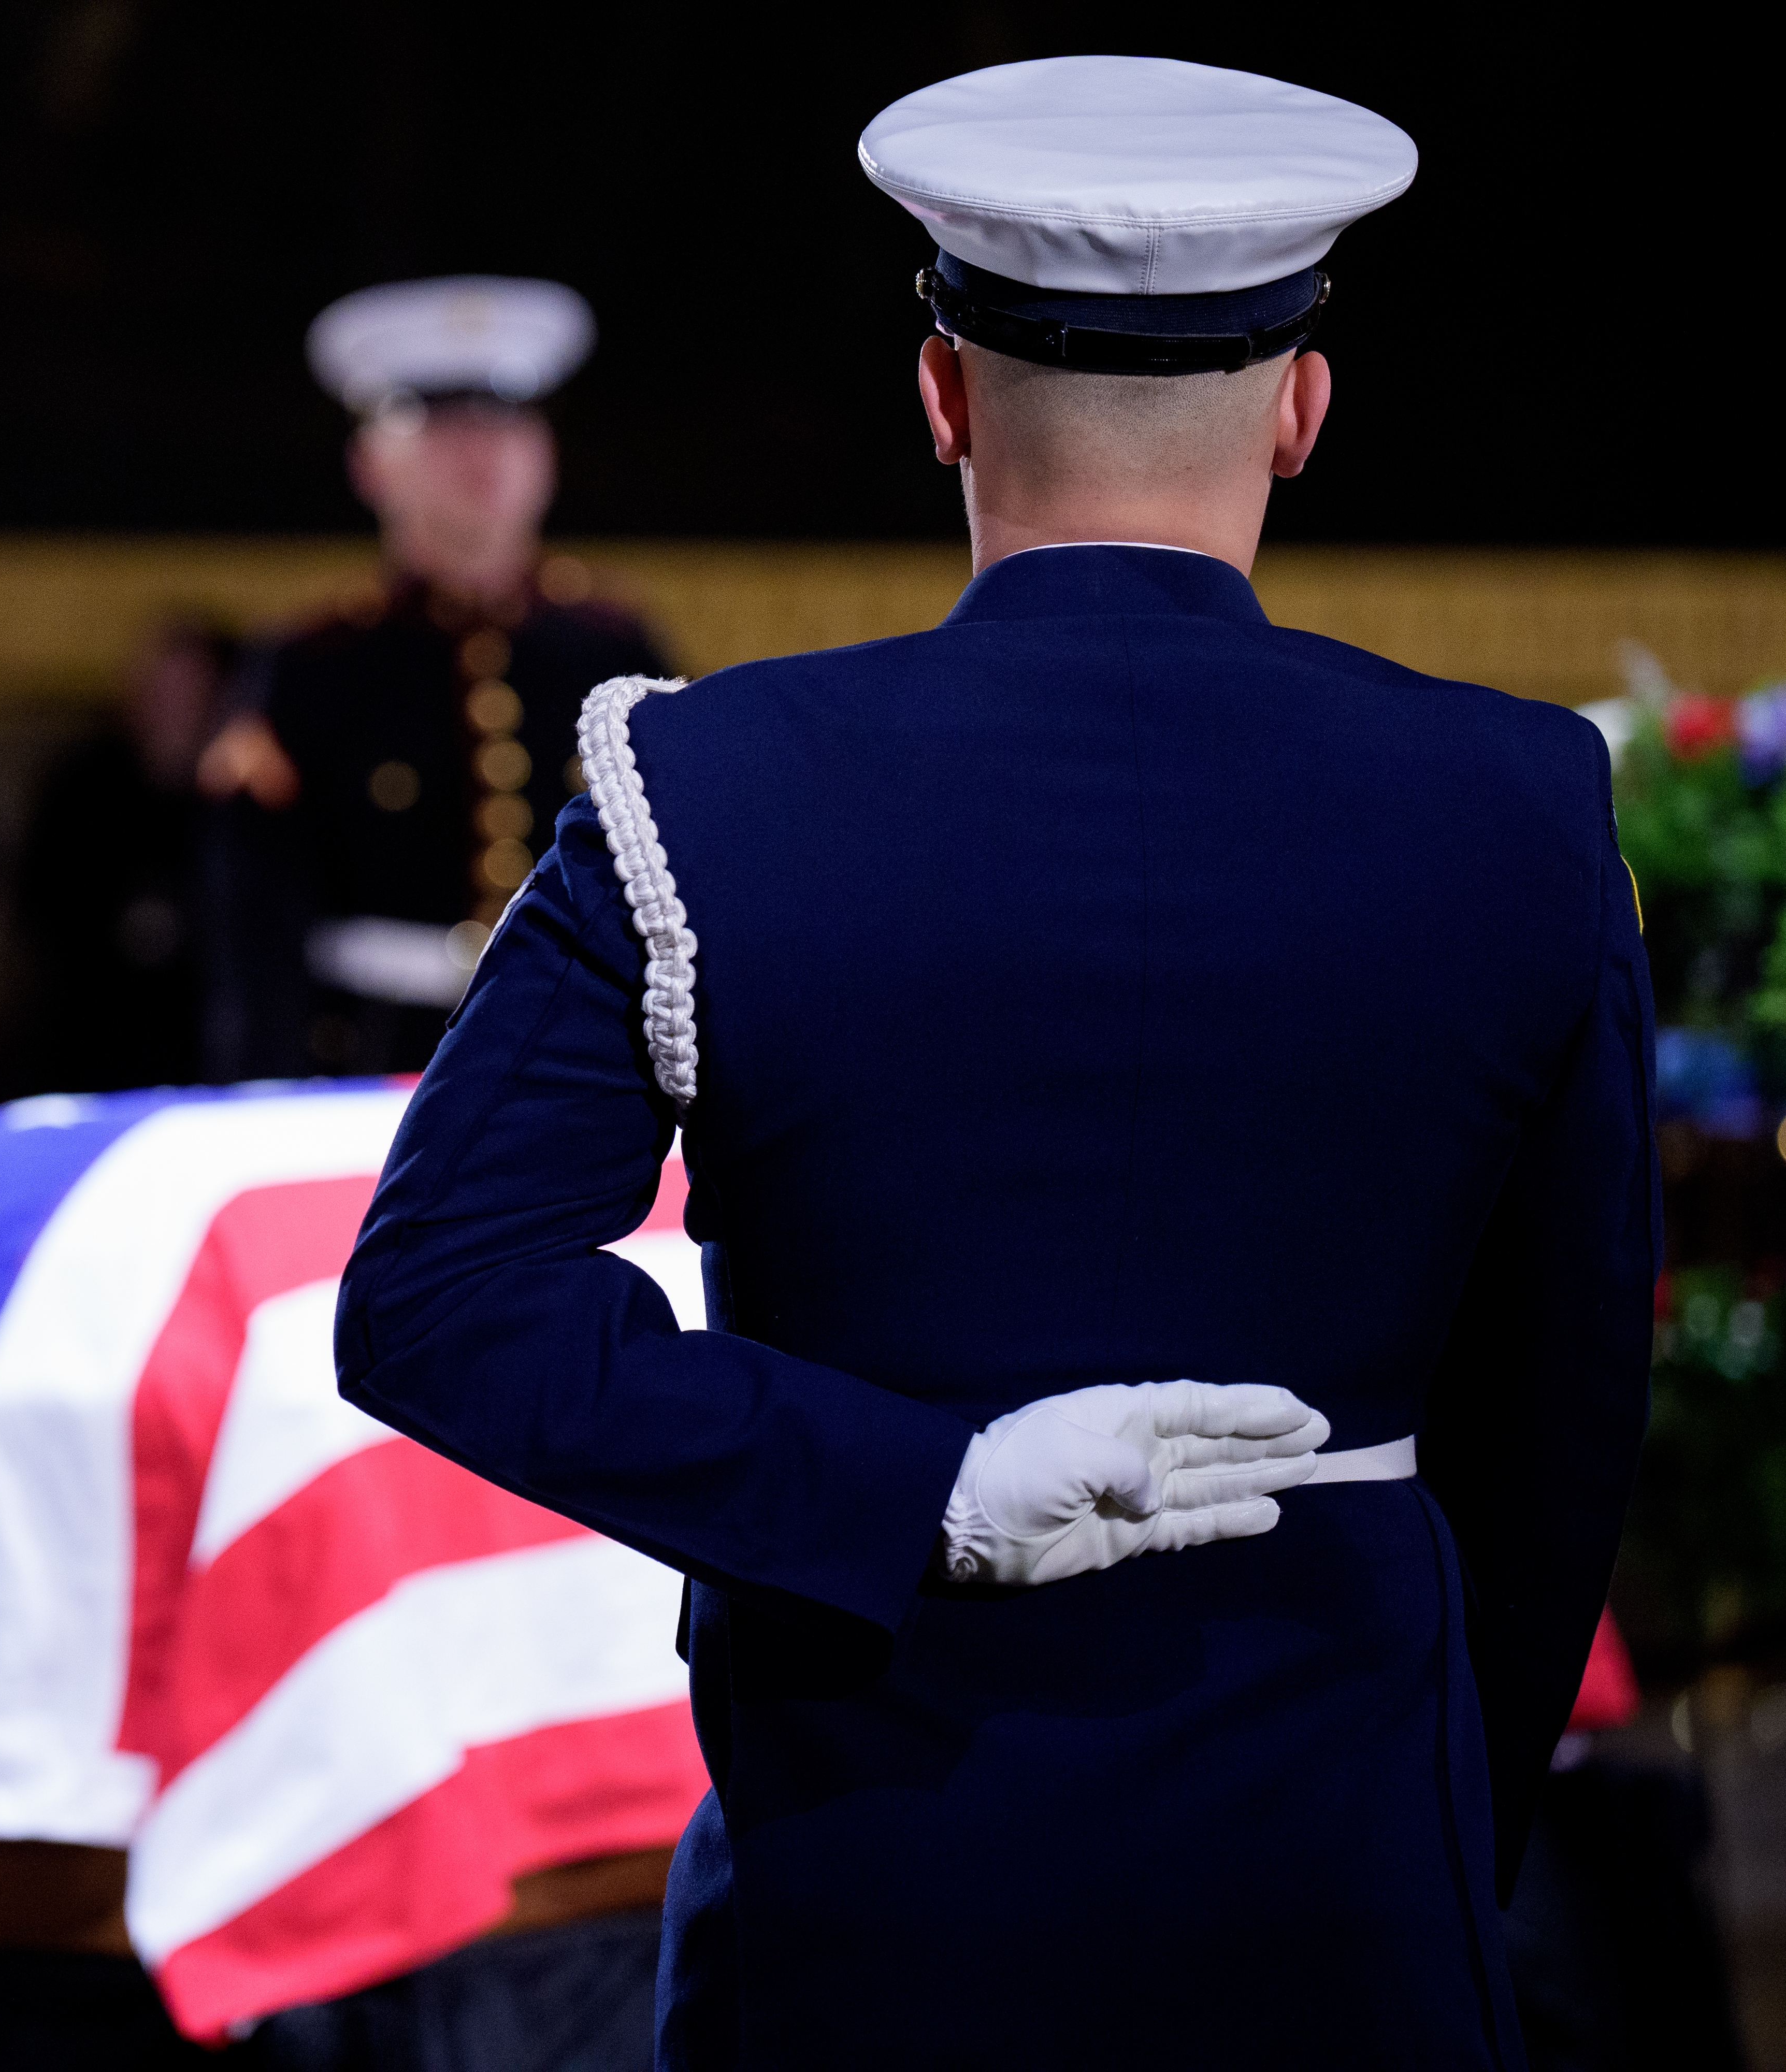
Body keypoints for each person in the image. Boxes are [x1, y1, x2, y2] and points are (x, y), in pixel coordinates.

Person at [335, 55, 1655, 2069]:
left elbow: (436, 1301)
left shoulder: (703, 786)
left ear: (939, 394)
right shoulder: (1520, 800)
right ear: (1300, 409)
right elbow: (1560, 1426)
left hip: (866, 1882)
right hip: (1342, 1873)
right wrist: (1438, 1830)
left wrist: (917, 1488)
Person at [200, 277, 670, 1078]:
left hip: (581, 1060)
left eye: (507, 422)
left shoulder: (615, 649)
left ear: (546, 457)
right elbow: (256, 928)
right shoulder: (311, 664)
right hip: (370, 1063)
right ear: (371, 465)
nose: (482, 452)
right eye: (445, 426)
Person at [12, 617, 235, 1092]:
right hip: (89, 1039)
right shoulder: (81, 791)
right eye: (160, 689)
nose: (171, 707)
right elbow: (38, 907)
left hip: (204, 1046)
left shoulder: (239, 805)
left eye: (188, 690)